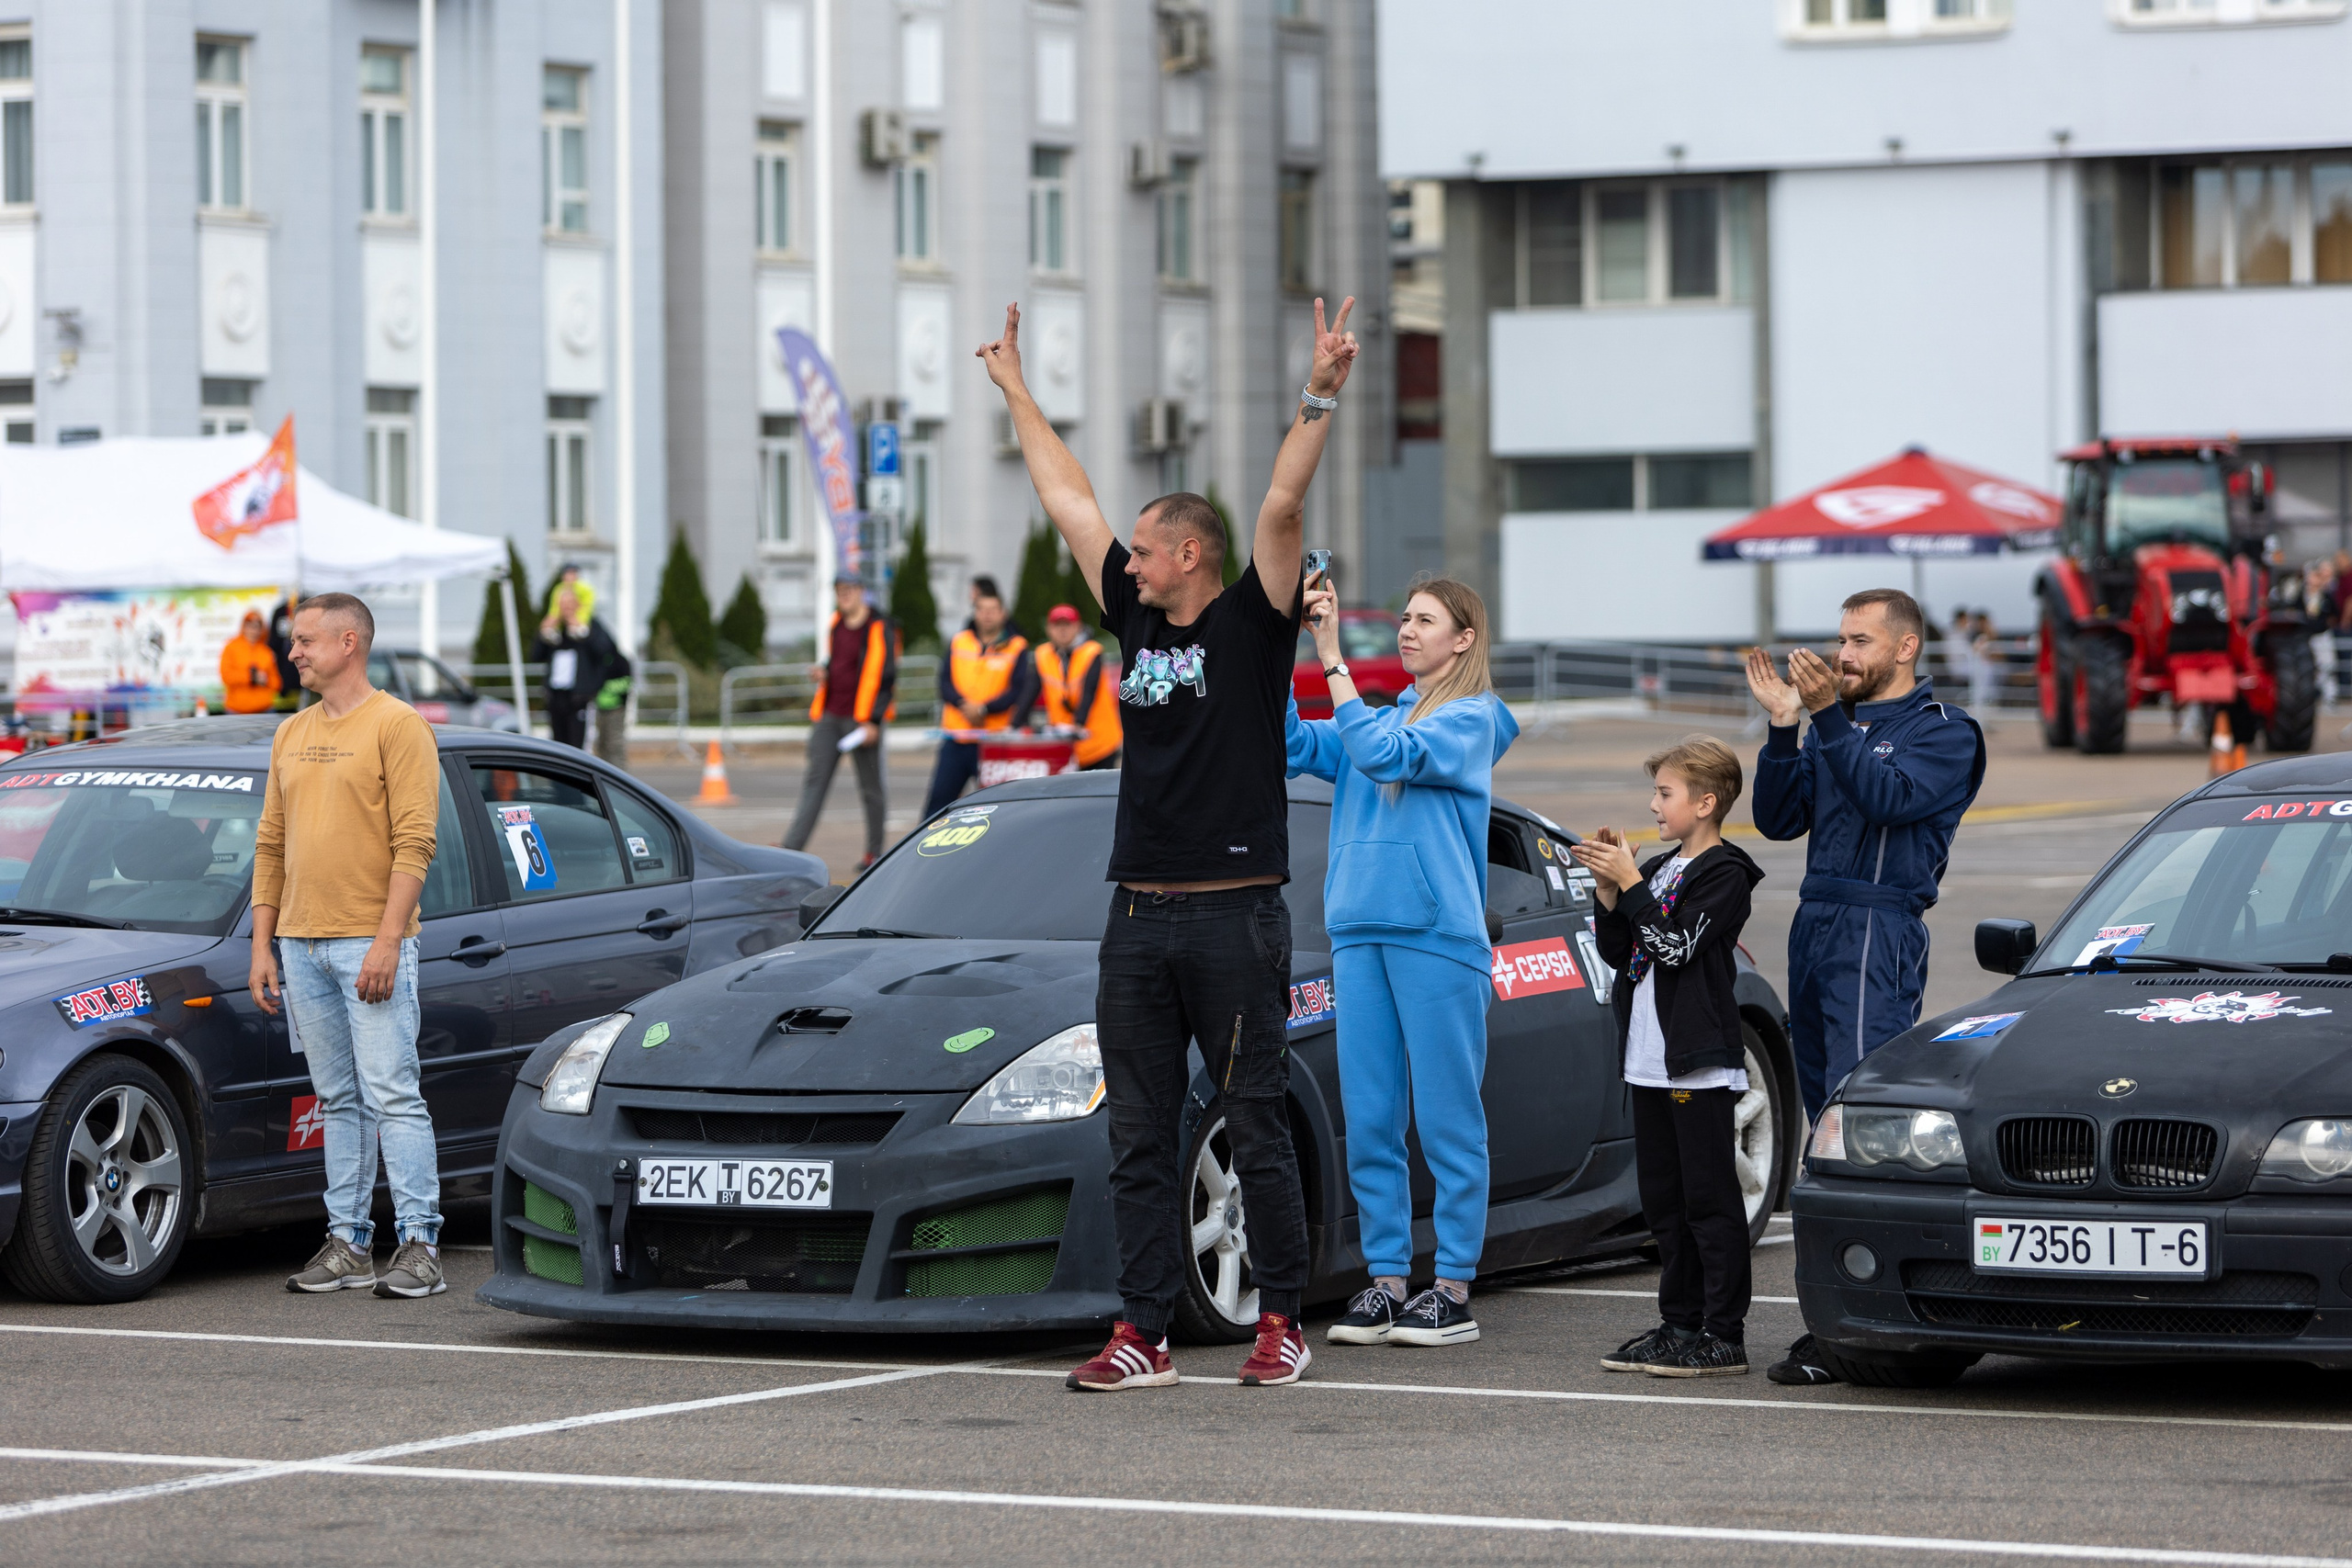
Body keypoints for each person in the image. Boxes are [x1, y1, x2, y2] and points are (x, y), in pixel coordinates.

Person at [980, 292, 1358, 1390]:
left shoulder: (1252, 621)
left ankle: (1279, 1319)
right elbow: (1070, 497)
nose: (1128, 563)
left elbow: (1283, 502)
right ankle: (1140, 1331)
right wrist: (1016, 393)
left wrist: (1316, 396)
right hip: (1137, 919)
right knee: (1138, 1135)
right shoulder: (1134, 619)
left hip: (1235, 918)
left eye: (1147, 552)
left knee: (1253, 1119)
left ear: (1191, 552)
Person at [1744, 587, 1984, 1384]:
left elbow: (1887, 801)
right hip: (1817, 922)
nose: (1841, 655)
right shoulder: (1831, 722)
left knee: (1859, 1120)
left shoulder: (1945, 732)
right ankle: (1837, 1316)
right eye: (1839, 639)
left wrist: (1828, 720)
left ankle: (1871, 1321)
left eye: (1858, 641)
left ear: (1905, 648)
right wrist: (1786, 726)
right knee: (1821, 1124)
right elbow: (1779, 819)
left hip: (1879, 929)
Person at [1287, 571, 1516, 1349]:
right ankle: (1386, 1279)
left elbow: (1382, 753)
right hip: (1360, 934)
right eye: (1404, 618)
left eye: (1425, 620)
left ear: (1464, 638)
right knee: (1374, 1116)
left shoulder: (1474, 721)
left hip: (1437, 939)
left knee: (1449, 1118)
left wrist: (1331, 655)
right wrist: (1273, 638)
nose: (1407, 630)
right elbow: (1291, 742)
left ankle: (1452, 1285)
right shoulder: (1377, 719)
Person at [249, 592, 447, 1299]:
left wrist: (388, 940)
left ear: (349, 642)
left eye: (306, 640)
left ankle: (420, 1244)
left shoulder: (398, 726)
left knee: (393, 1093)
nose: (294, 651)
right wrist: (263, 944)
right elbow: (270, 842)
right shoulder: (290, 733)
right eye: (295, 640)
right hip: (301, 946)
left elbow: (415, 841)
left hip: (369, 940)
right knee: (337, 1099)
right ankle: (348, 1244)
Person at [1575, 739, 1765, 1379]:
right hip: (1647, 1063)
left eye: (1665, 793)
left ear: (1705, 802)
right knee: (1665, 1201)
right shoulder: (1657, 869)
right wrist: (1610, 891)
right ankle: (1679, 1321)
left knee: (1709, 1200)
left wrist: (1632, 886)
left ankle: (1723, 1331)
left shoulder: (1726, 873)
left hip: (1697, 1064)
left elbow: (1676, 946)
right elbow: (1622, 950)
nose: (1654, 805)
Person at [787, 572, 898, 869]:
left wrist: (873, 720)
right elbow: (838, 663)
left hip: (861, 720)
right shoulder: (836, 623)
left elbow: (886, 677)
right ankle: (791, 849)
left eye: (849, 589)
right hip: (830, 714)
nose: (844, 595)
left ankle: (874, 853)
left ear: (862, 591)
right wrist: (824, 671)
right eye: (840, 590)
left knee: (871, 788)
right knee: (814, 782)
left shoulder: (879, 626)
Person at [922, 581, 1035, 819]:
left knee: (998, 809)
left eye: (993, 610)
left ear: (1003, 613)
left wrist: (983, 709)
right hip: (957, 737)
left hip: (994, 741)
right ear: (974, 612)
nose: (987, 615)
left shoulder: (1016, 646)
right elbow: (944, 682)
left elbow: (1017, 690)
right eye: (982, 609)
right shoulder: (959, 641)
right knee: (938, 805)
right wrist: (964, 705)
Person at [1028, 603, 1123, 769]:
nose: (1063, 630)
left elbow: (1089, 691)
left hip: (1099, 740)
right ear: (1049, 629)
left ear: (1078, 627)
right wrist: (1014, 724)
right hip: (1065, 744)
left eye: (1068, 625)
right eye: (1057, 625)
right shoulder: (1042, 654)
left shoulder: (1091, 651)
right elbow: (1029, 691)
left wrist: (1078, 724)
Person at [532, 581, 619, 750]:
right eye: (563, 605)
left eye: (570, 605)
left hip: (579, 698)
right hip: (557, 696)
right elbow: (536, 656)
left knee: (578, 745)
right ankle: (557, 777)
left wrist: (584, 632)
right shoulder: (556, 630)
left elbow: (606, 651)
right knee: (557, 744)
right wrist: (543, 632)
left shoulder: (591, 625)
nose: (567, 610)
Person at [220, 608, 282, 715]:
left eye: (257, 626)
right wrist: (251, 677)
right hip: (236, 711)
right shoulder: (231, 647)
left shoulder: (266, 651)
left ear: (261, 629)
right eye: (250, 625)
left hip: (265, 710)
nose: (253, 630)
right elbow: (226, 676)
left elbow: (277, 683)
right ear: (243, 626)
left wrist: (266, 679)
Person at [267, 596, 302, 712]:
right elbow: (273, 644)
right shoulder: (280, 611)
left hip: (303, 681)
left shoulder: (309, 610)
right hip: (282, 680)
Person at [1970, 611, 2000, 712]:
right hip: (1980, 665)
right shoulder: (1977, 636)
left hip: (1988, 665)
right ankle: (1981, 704)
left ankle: (1987, 703)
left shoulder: (1988, 635)